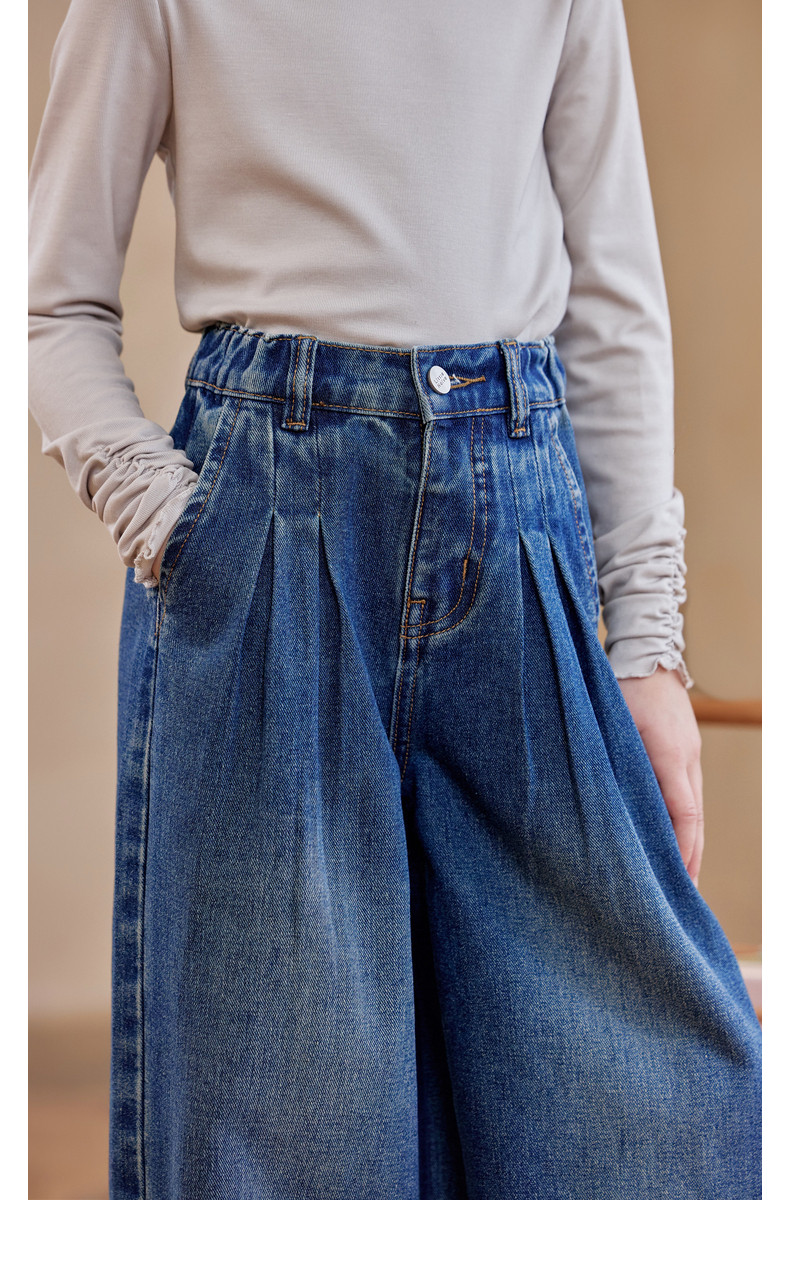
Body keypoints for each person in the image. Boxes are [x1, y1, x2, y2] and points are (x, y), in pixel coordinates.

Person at [28, 0, 761, 1200]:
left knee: (653, 1129)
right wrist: (178, 528)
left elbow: (612, 299)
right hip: (264, 545)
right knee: (290, 1155)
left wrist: (647, 643)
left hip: (521, 537)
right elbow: (52, 305)